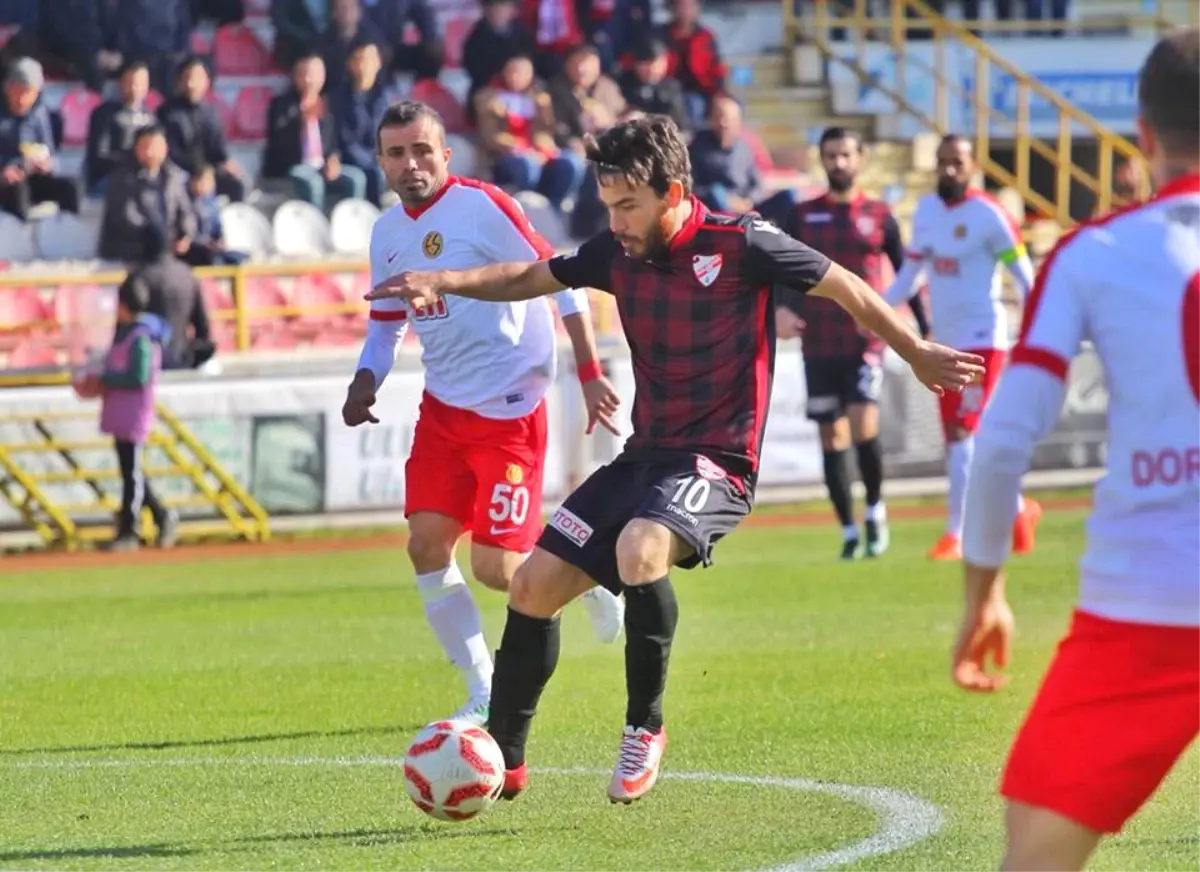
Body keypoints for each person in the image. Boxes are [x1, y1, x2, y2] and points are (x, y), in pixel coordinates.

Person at [365, 114, 985, 804]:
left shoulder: (742, 241)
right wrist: (445, 281)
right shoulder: (615, 252)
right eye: (609, 207)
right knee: (531, 585)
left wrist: (916, 351)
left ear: (674, 190)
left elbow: (848, 286)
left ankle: (644, 727)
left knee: (640, 550)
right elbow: (526, 275)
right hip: (645, 458)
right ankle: (504, 758)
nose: (618, 222)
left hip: (717, 462)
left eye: (629, 206)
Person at [952, 27, 1200, 871]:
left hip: (1149, 605)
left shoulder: (1093, 254)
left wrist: (983, 592)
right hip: (1147, 603)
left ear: (1142, 133)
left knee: (1037, 853)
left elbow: (1003, 442)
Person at [341, 100, 627, 728]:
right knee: (424, 546)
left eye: (422, 150)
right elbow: (385, 327)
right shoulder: (387, 232)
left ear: (446, 154)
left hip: (510, 408)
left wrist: (588, 367)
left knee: (496, 568)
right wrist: (366, 380)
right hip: (444, 409)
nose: (411, 163)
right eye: (397, 152)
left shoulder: (482, 206)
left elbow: (562, 276)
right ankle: (482, 689)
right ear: (382, 162)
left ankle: (589, 573)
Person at [883, 133, 1042, 561]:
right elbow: (908, 277)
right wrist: (872, 311)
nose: (949, 170)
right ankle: (1020, 510)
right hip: (943, 344)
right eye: (942, 161)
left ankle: (956, 532)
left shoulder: (991, 217)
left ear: (973, 167)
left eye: (957, 162)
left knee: (963, 432)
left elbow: (1026, 280)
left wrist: (1033, 336)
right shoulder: (928, 211)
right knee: (970, 438)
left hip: (982, 341)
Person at [778, 127, 931, 560]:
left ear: (860, 158)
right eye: (831, 155)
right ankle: (847, 527)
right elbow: (783, 268)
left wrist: (923, 326)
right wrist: (784, 308)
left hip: (864, 342)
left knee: (864, 426)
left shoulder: (880, 214)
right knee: (831, 437)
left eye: (846, 154)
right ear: (821, 160)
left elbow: (906, 274)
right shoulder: (803, 215)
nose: (839, 163)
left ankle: (876, 511)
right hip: (818, 343)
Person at [86, 274, 180, 552]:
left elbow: (138, 377)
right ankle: (162, 516)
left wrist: (108, 380)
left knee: (132, 473)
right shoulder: (124, 335)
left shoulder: (140, 338)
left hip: (133, 413)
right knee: (131, 471)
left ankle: (130, 528)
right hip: (120, 412)